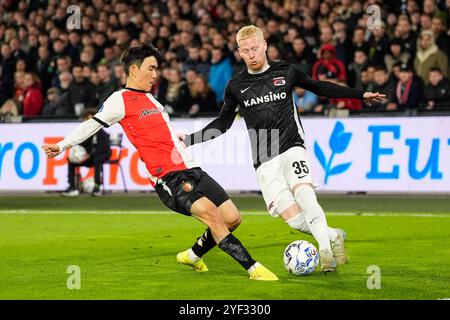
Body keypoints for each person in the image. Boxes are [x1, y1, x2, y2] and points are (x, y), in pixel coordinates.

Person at [42, 44, 277, 281]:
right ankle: (253, 269)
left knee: (232, 218)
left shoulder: (152, 100)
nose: (156, 75)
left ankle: (193, 255)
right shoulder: (120, 100)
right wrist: (62, 145)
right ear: (133, 70)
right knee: (213, 217)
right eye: (151, 68)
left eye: (157, 69)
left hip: (190, 167)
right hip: (168, 176)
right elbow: (91, 124)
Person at [178, 25, 385, 273]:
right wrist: (190, 140)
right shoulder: (236, 85)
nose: (251, 54)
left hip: (291, 146)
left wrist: (360, 94)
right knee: (295, 219)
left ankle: (325, 252)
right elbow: (223, 123)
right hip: (264, 159)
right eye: (246, 51)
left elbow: (320, 87)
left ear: (265, 45)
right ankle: (333, 234)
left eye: (255, 48)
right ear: (239, 53)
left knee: (305, 195)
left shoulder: (285, 71)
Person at [61, 108, 111, 197]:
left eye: (89, 119)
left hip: (100, 156)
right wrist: (78, 156)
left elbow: (102, 149)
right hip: (88, 157)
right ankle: (72, 187)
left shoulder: (102, 134)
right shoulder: (84, 134)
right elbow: (81, 147)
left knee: (97, 159)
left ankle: (97, 187)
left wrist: (88, 156)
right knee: (71, 161)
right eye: (86, 119)